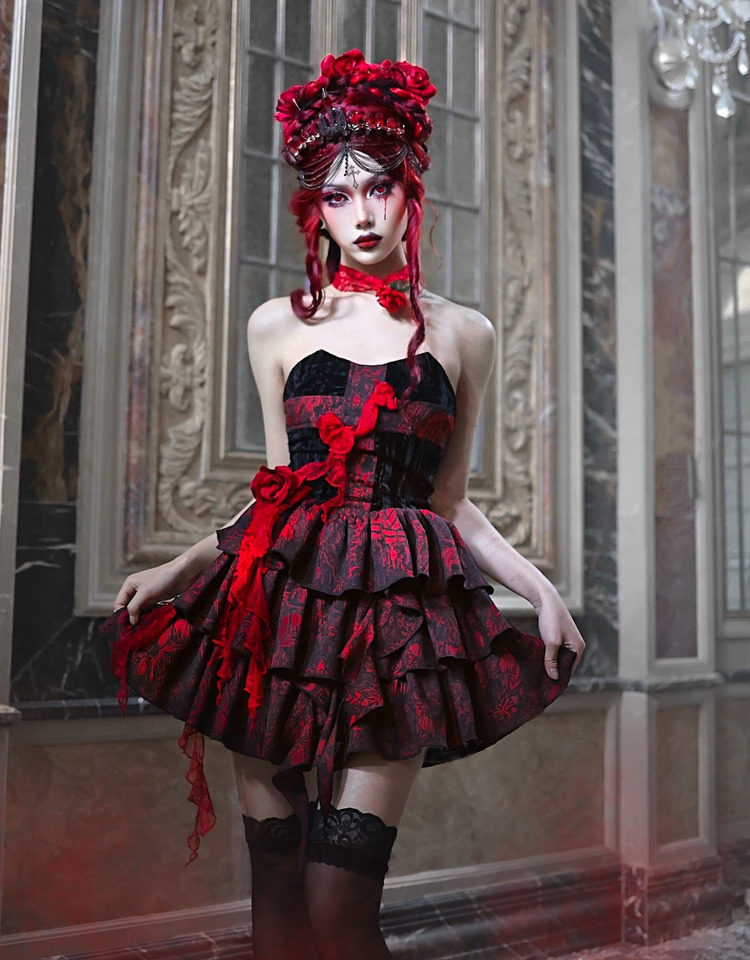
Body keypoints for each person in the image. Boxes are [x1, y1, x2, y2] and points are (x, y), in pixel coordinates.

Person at [100, 49, 585, 960]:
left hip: (393, 632)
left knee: (339, 908)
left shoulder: (464, 334)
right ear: (314, 209)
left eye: (379, 189)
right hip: (274, 621)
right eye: (337, 195)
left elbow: (451, 502)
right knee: (278, 894)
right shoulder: (276, 326)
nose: (361, 214)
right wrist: (178, 566)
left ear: (410, 191)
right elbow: (276, 494)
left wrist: (541, 590)